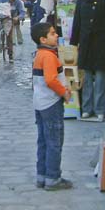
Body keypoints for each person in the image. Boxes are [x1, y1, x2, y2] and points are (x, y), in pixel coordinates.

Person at [31, 22, 73, 191]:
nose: (56, 35)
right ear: (43, 39)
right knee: (54, 141)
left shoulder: (40, 54)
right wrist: (64, 92)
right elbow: (50, 80)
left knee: (43, 141)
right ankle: (53, 178)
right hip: (51, 103)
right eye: (53, 33)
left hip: (40, 102)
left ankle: (42, 175)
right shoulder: (48, 56)